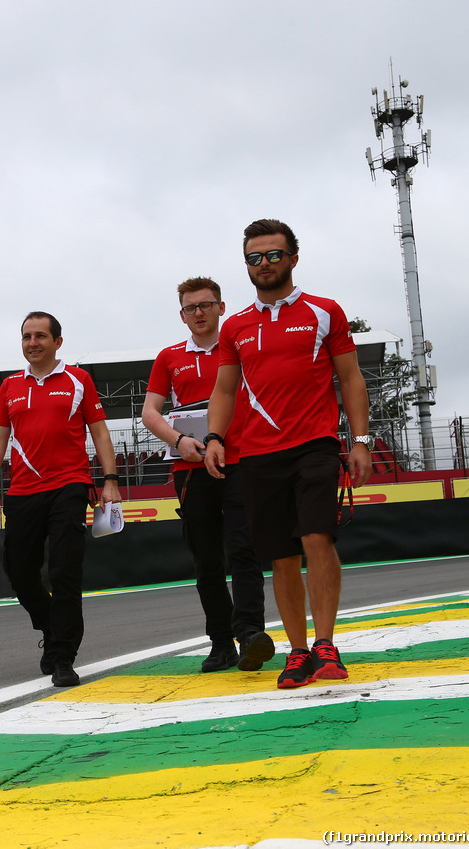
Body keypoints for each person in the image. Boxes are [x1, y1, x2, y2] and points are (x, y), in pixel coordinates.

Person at [204, 219, 373, 689]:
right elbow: (224, 388)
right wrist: (215, 438)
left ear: (293, 258)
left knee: (318, 538)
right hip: (256, 454)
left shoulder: (325, 312)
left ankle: (325, 645)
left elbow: (351, 379)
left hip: (315, 444)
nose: (264, 264)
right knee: (280, 556)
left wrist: (360, 441)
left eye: (273, 255)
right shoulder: (235, 326)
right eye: (254, 258)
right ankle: (298, 652)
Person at [0, 311, 122, 687]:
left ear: (57, 341)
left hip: (69, 486)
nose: (32, 342)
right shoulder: (9, 386)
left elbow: (100, 433)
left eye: (40, 336)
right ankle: (51, 625)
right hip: (22, 491)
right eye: (26, 336)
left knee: (65, 571)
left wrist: (110, 480)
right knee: (19, 573)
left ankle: (63, 656)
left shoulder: (79, 380)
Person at [141, 277, 273, 674]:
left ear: (221, 307)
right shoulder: (169, 357)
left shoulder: (243, 346)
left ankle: (250, 634)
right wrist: (179, 440)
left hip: (240, 463)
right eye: (190, 307)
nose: (198, 312)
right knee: (206, 560)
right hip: (191, 470)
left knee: (243, 550)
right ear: (182, 315)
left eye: (205, 304)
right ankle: (221, 642)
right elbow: (150, 412)